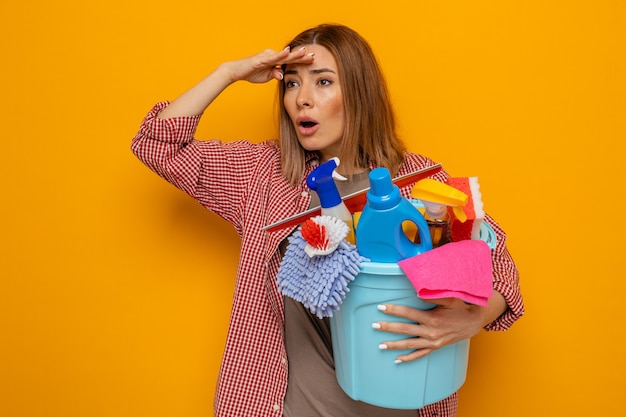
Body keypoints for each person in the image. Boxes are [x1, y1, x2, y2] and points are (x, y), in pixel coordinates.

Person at [131, 23, 524, 417]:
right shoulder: (262, 176)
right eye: (291, 83)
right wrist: (228, 73)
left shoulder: (417, 183)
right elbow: (155, 144)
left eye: (323, 82)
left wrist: (473, 317)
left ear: (358, 93)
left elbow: (498, 264)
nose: (302, 99)